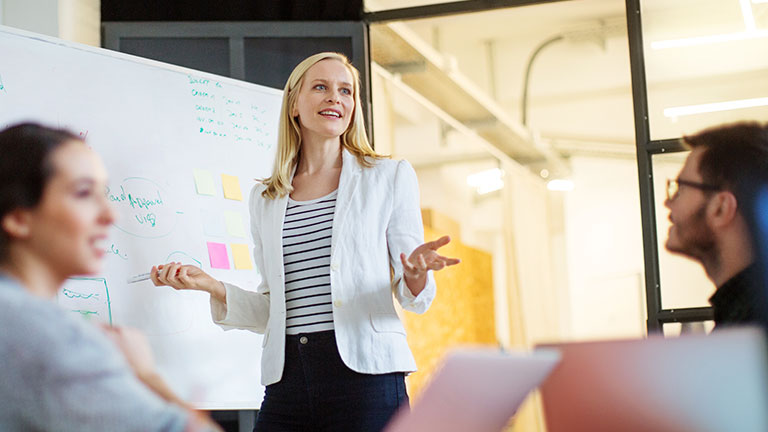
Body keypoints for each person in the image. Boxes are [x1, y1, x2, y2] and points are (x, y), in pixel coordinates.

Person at [151, 52, 460, 431]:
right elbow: (272, 309)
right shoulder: (266, 198)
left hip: (366, 377)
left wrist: (414, 273)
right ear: (295, 104)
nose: (335, 98)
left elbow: (415, 296)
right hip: (288, 378)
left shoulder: (388, 177)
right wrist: (212, 286)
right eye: (321, 87)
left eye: (345, 91)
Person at [0, 123, 221, 432]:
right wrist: (146, 375)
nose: (111, 215)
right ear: (18, 218)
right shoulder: (52, 338)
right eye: (83, 193)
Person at [664, 121, 768, 328]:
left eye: (680, 188)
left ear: (721, 208)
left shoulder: (750, 329)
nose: (668, 202)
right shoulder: (742, 316)